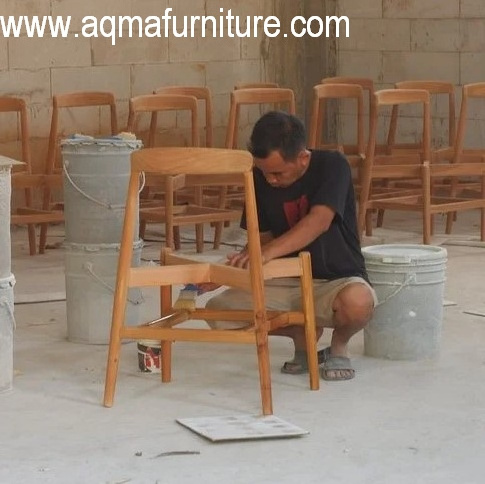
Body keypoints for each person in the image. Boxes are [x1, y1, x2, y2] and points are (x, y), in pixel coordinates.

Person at [204, 111, 377, 381]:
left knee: (358, 303)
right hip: (285, 280)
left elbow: (319, 221)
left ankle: (338, 347)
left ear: (303, 158)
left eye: (277, 173)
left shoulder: (333, 166)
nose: (271, 180)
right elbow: (261, 241)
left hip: (336, 279)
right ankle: (302, 335)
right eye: (264, 172)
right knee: (218, 311)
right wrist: (229, 273)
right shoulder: (259, 178)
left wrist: (267, 253)